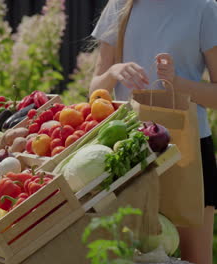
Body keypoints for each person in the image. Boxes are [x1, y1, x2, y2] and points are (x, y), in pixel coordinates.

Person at [90, 0, 217, 263]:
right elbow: (95, 91)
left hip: (188, 152)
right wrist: (114, 71)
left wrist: (177, 82)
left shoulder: (204, 8)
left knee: (197, 258)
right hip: (128, 154)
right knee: (127, 258)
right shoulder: (119, 6)